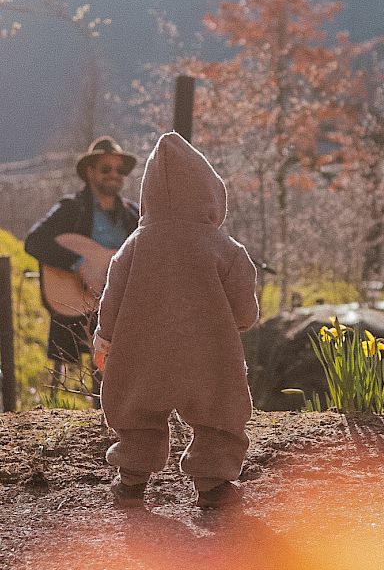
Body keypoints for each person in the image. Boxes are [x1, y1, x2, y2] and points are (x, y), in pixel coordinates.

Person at [92, 132, 259, 509]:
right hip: (209, 356)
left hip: (142, 355)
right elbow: (244, 305)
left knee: (135, 414)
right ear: (210, 193)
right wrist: (237, 322)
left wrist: (105, 338)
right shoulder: (224, 248)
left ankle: (131, 481)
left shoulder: (133, 246)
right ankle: (213, 486)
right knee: (219, 416)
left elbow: (111, 298)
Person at [25, 136, 139, 403]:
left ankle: (115, 409)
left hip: (122, 305)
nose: (114, 175)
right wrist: (80, 264)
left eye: (119, 170)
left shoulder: (133, 214)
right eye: (106, 169)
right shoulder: (71, 209)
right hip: (80, 305)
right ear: (90, 172)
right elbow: (34, 242)